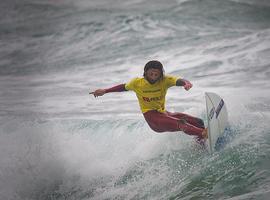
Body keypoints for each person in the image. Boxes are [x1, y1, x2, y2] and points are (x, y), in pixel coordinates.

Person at [90, 60, 207, 143]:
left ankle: (200, 144)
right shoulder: (137, 82)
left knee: (198, 122)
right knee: (181, 123)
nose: (154, 76)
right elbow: (123, 87)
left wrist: (186, 83)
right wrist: (105, 90)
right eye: (151, 73)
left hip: (163, 114)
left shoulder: (165, 80)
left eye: (157, 74)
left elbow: (178, 80)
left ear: (161, 74)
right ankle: (204, 133)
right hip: (153, 119)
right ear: (145, 72)